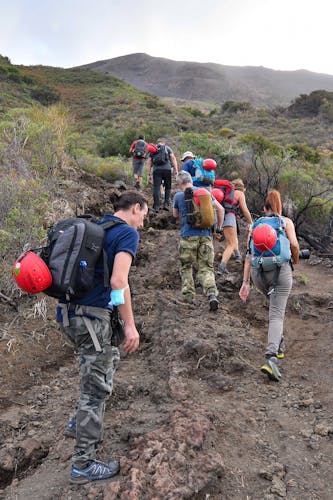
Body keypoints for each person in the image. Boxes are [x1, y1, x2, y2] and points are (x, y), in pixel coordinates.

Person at [57, 191, 148, 483]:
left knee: (100, 364)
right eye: (143, 216)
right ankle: (82, 465)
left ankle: (77, 423)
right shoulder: (126, 234)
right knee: (95, 391)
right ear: (136, 208)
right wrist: (130, 325)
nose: (143, 224)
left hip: (68, 315)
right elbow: (119, 281)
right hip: (91, 318)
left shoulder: (98, 227)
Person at [239, 189, 300, 382]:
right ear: (279, 208)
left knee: (274, 306)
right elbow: (295, 246)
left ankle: (279, 344)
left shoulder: (255, 225)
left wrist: (245, 283)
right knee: (276, 314)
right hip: (280, 272)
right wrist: (294, 261)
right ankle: (271, 358)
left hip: (258, 275)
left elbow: (248, 255)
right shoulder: (285, 222)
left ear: (264, 209)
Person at [173, 171, 224, 310]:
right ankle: (212, 294)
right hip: (206, 236)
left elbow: (175, 216)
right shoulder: (205, 193)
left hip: (187, 235)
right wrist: (218, 228)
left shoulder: (178, 196)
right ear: (191, 180)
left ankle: (188, 298)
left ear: (180, 183)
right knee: (206, 268)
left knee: (186, 266)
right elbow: (220, 209)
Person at [217, 178, 253, 274]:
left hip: (220, 217)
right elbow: (245, 210)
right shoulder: (239, 193)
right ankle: (222, 266)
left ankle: (238, 256)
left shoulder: (226, 192)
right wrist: (251, 223)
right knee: (231, 244)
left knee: (232, 239)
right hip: (229, 216)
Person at [147, 138, 178, 212]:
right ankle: (166, 204)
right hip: (167, 169)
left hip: (156, 170)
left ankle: (156, 206)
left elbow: (149, 161)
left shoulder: (153, 149)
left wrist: (149, 173)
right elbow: (173, 158)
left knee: (157, 187)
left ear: (157, 143)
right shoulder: (167, 148)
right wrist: (176, 169)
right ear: (164, 143)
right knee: (168, 187)